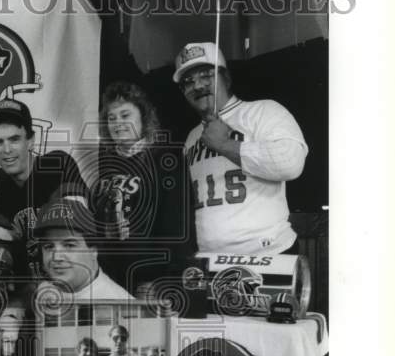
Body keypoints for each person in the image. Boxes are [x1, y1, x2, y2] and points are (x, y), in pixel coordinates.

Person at [174, 42, 307, 255]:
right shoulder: (191, 137)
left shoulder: (263, 111)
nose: (197, 86)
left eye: (206, 75)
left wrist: (224, 145)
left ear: (225, 78)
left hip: (268, 253)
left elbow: (291, 163)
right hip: (209, 260)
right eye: (188, 82)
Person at [90, 81, 194, 290]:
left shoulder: (166, 160)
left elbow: (177, 230)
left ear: (143, 117)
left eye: (125, 115)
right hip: (109, 281)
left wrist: (161, 281)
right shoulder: (105, 164)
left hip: (149, 282)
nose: (117, 122)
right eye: (111, 118)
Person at [0, 98, 88, 273]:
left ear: (31, 141)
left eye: (14, 139)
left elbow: (71, 236)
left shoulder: (57, 165)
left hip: (80, 282)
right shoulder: (4, 189)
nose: (6, 150)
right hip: (39, 291)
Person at [33, 197, 134, 304]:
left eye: (69, 245)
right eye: (49, 246)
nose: (56, 257)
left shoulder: (119, 306)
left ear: (93, 251)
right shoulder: (45, 291)